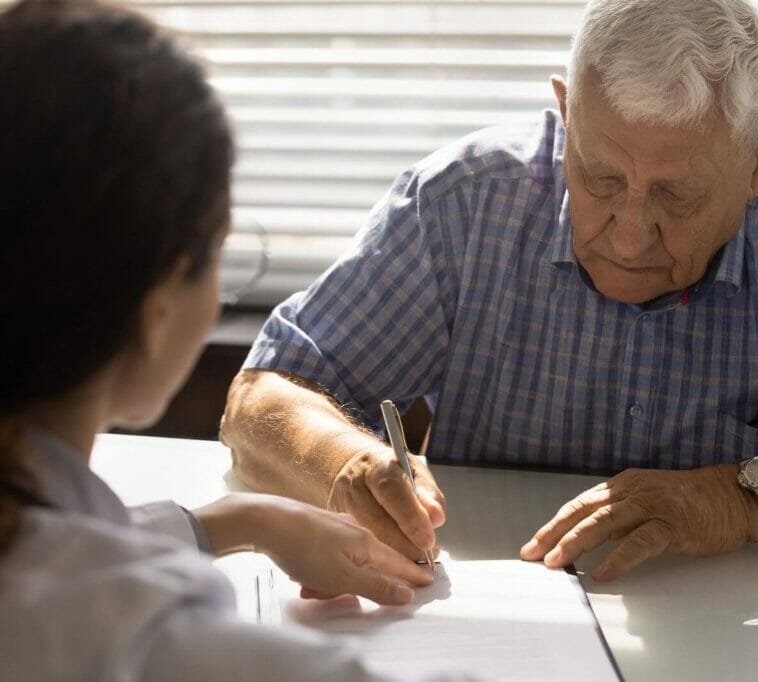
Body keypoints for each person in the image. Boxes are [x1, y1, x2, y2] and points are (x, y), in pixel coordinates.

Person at [221, 0, 758, 583]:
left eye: (676, 197)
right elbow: (261, 398)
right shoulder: (465, 201)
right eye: (601, 177)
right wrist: (348, 464)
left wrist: (743, 497)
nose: (629, 233)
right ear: (566, 115)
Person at [0, 1, 441, 679]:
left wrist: (244, 519)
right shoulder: (144, 635)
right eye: (216, 254)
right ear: (156, 308)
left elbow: (50, 545)